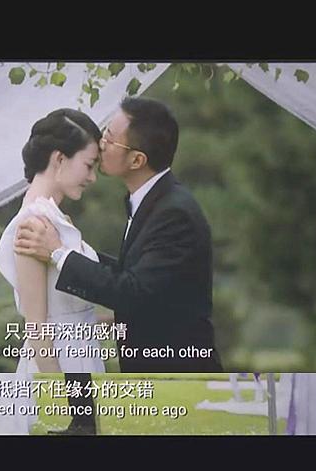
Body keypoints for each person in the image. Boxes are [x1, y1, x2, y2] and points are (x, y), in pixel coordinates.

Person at [15, 97, 223, 373]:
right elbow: (137, 276)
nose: (101, 143)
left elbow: (133, 292)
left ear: (137, 160)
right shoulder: (154, 202)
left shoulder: (174, 213)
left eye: (110, 139)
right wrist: (69, 248)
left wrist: (59, 253)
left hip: (176, 371)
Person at [0, 108, 106, 435]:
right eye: (89, 165)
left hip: (81, 359)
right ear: (59, 159)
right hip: (58, 364)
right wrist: (63, 402)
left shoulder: (54, 218)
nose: (92, 178)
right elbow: (37, 327)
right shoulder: (34, 223)